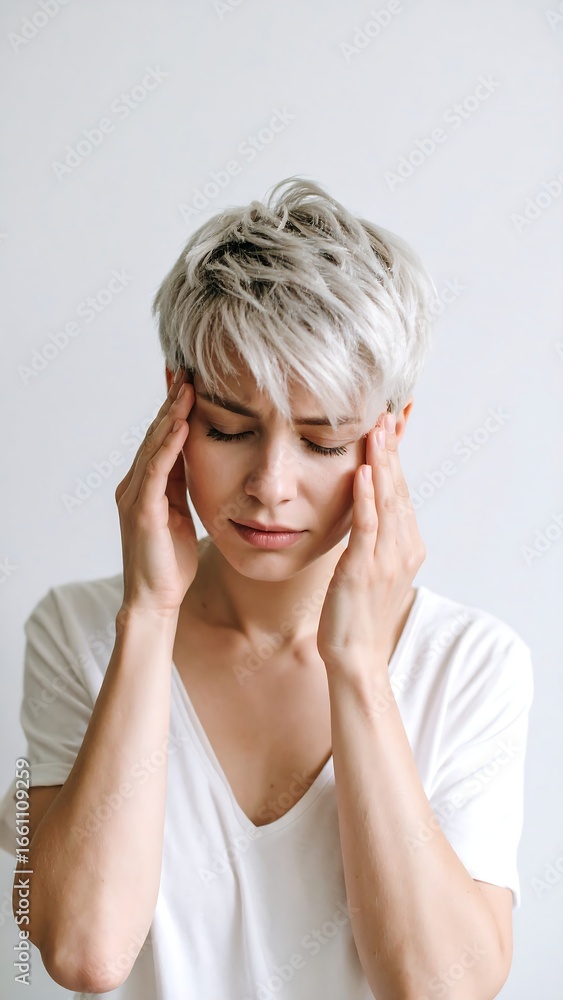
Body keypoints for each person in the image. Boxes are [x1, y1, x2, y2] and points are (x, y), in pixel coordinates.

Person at [0, 177, 533, 999]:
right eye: (229, 429)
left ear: (389, 434)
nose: (270, 484)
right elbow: (81, 950)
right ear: (176, 406)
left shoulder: (470, 665)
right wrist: (148, 615)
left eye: (322, 442)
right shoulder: (75, 632)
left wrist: (356, 667)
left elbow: (439, 988)